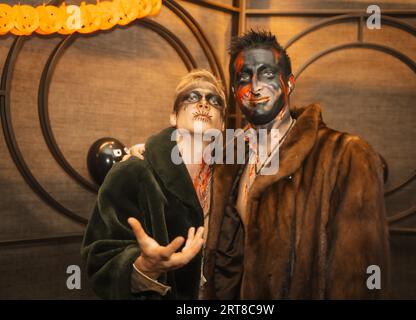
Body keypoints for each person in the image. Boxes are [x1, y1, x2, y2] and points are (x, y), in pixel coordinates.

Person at [126, 30, 390, 299]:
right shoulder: (228, 159)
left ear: (289, 83)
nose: (254, 86)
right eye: (244, 77)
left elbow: (359, 276)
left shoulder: (346, 155)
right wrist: (150, 153)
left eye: (267, 74)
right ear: (234, 90)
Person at [81, 69, 226, 299]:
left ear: (222, 126)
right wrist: (143, 267)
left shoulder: (229, 181)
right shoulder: (133, 171)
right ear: (173, 116)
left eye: (214, 100)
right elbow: (98, 261)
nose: (203, 103)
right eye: (192, 97)